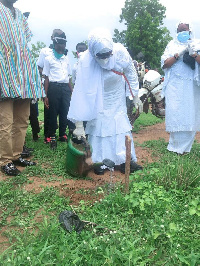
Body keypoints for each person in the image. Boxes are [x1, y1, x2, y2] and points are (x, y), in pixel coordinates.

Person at [68, 28, 142, 174]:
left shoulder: (120, 51)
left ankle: (124, 160)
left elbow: (131, 73)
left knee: (120, 126)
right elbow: (79, 93)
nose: (105, 58)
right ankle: (100, 161)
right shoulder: (85, 61)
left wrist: (135, 96)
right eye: (101, 56)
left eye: (108, 54)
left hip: (117, 95)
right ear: (93, 53)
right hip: (97, 98)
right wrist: (78, 124)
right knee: (99, 127)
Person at [0, 0, 45, 176]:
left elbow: (24, 42)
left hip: (23, 75)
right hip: (4, 74)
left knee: (22, 120)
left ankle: (16, 155)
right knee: (5, 122)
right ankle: (5, 160)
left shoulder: (19, 15)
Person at [161, 21, 200, 154]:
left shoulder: (197, 43)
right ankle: (174, 146)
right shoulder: (171, 45)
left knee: (190, 114)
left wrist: (194, 54)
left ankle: (185, 148)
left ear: (190, 31)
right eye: (179, 30)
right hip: (175, 86)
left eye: (184, 30)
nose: (181, 33)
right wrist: (179, 54)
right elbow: (165, 64)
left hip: (191, 87)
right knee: (175, 113)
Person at [43, 29, 74, 149]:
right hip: (54, 87)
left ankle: (62, 134)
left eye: (63, 44)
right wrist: (45, 95)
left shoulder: (66, 59)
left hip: (65, 88)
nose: (61, 46)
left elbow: (69, 77)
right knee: (53, 112)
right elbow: (46, 78)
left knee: (64, 112)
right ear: (55, 45)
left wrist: (72, 91)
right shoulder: (48, 59)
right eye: (59, 44)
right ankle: (52, 136)